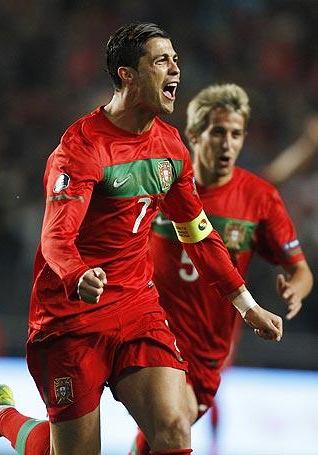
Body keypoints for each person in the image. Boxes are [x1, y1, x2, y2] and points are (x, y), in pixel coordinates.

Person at [0, 25, 282, 455]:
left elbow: (199, 235)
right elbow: (56, 238)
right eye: (162, 60)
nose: (175, 69)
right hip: (71, 315)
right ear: (127, 75)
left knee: (173, 429)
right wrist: (77, 274)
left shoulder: (171, 147)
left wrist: (247, 304)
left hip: (136, 307)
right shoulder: (82, 148)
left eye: (176, 59)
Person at [129, 83, 313, 455]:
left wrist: (295, 288)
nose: (227, 144)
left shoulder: (258, 198)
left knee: (159, 437)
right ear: (194, 135)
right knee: (173, 426)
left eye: (235, 134)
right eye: (217, 132)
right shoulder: (161, 184)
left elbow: (302, 270)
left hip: (210, 350)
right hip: (154, 331)